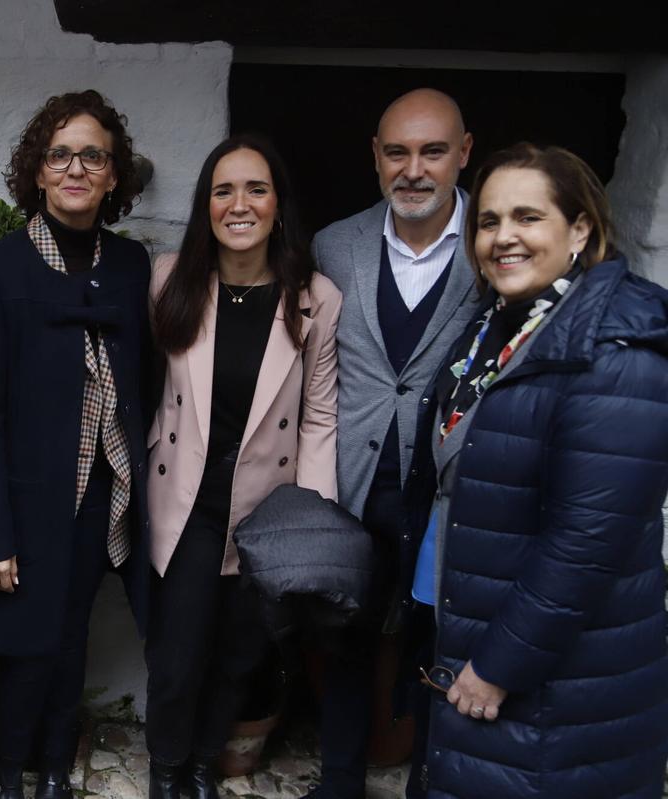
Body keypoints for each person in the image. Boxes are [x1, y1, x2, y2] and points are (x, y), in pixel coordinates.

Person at [402, 143, 668, 799]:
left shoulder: (616, 350)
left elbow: (587, 542)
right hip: (482, 631)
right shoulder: (501, 323)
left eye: (528, 217)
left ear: (580, 229)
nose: (503, 237)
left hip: (553, 685)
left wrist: (498, 665)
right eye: (489, 221)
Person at [0, 89, 151, 799]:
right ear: (37, 172)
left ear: (112, 175)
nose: (76, 168)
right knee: (26, 642)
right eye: (60, 154)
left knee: (73, 634)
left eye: (92, 156)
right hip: (24, 497)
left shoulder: (129, 266)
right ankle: (9, 770)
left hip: (104, 488)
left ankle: (56, 770)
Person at [143, 134, 341, 799]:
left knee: (239, 653)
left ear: (278, 206)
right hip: (187, 497)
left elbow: (318, 417)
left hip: (266, 506)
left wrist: (309, 522)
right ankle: (166, 769)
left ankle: (204, 765)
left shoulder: (314, 298)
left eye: (256, 189)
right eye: (223, 190)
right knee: (177, 656)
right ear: (206, 206)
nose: (240, 204)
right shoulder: (169, 279)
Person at [309, 88, 479, 798]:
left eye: (432, 151)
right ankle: (340, 780)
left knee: (440, 640)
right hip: (355, 480)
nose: (414, 170)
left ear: (463, 153)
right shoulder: (334, 244)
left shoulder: (494, 243)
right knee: (344, 634)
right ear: (376, 158)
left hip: (447, 491)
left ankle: (429, 784)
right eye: (398, 153)